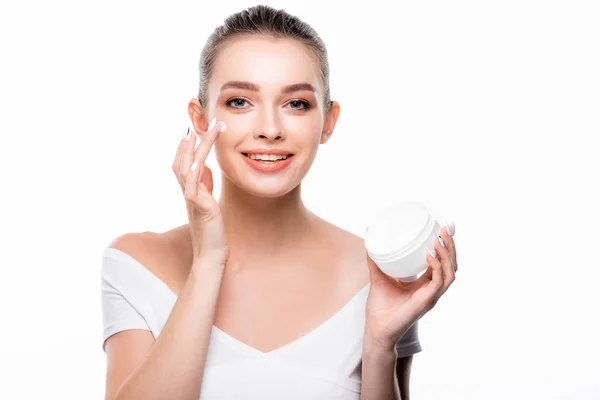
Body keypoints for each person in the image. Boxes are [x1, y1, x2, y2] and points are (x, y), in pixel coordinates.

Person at [100, 5, 458, 399]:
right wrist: (207, 263)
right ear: (200, 120)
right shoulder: (136, 263)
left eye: (296, 104)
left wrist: (379, 347)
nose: (270, 130)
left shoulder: (377, 275)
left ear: (328, 121)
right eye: (240, 101)